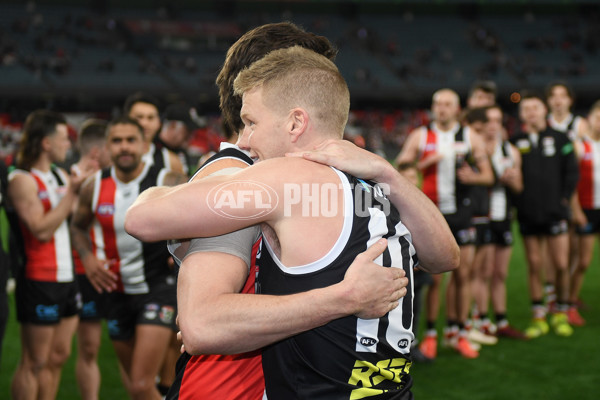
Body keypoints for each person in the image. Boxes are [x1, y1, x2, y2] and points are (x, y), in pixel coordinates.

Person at [126, 46, 459, 399]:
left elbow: (141, 220)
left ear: (296, 122)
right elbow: (445, 259)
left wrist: (155, 191)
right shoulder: (377, 182)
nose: (245, 140)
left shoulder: (286, 177)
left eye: (252, 123)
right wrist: (386, 169)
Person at [70, 116, 187, 400]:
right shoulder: (93, 186)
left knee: (140, 384)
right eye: (117, 141)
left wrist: (181, 250)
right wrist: (86, 258)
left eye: (131, 140)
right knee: (138, 387)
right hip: (116, 293)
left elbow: (193, 218)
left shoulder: (165, 180)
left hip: (157, 290)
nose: (124, 147)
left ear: (144, 144)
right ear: (107, 146)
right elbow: (77, 227)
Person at [396, 88, 494, 359]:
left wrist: (473, 178)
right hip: (428, 216)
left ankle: (458, 334)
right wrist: (426, 162)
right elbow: (400, 169)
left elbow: (488, 175)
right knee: (434, 281)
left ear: (457, 108)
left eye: (447, 104)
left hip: (462, 215)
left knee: (463, 276)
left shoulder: (470, 136)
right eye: (438, 103)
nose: (442, 108)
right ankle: (429, 336)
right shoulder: (420, 136)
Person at [8, 109, 88, 400]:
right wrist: (71, 194)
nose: (68, 144)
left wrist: (80, 191)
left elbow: (72, 218)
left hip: (68, 276)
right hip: (40, 277)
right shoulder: (21, 179)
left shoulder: (59, 174)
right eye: (64, 138)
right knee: (35, 361)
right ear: (46, 143)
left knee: (58, 356)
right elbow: (40, 229)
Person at [509, 92, 579, 338]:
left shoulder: (560, 139)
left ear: (544, 111)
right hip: (528, 214)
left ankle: (561, 310)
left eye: (535, 107)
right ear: (521, 114)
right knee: (535, 265)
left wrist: (564, 198)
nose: (531, 112)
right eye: (526, 108)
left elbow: (572, 172)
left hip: (555, 212)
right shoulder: (515, 141)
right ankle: (538, 315)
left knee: (561, 264)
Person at [471, 105, 526, 339]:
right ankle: (481, 319)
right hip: (482, 216)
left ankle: (501, 320)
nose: (493, 125)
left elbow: (519, 187)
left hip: (503, 216)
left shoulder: (510, 151)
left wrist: (511, 180)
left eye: (497, 120)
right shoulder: (475, 148)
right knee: (482, 272)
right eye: (489, 121)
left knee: (500, 273)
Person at [70, 118, 112, 400]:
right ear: (98, 151)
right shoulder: (70, 180)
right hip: (81, 273)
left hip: (107, 273)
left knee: (92, 348)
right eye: (112, 144)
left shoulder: (113, 178)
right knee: (79, 349)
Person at [568, 99, 600, 326]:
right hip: (587, 210)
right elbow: (570, 184)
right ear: (589, 119)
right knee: (582, 261)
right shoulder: (580, 146)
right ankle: (569, 303)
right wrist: (576, 210)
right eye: (598, 117)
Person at [124, 92, 184, 174]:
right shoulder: (110, 158)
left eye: (150, 118)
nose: (144, 123)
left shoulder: (171, 161)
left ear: (159, 123)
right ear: (126, 120)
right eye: (139, 117)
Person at [156, 103, 199, 176]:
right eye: (187, 130)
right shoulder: (154, 150)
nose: (190, 135)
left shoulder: (181, 152)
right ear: (173, 125)